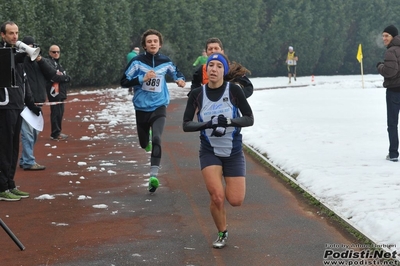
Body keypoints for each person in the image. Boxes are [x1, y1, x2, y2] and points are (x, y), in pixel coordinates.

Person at [182, 53, 254, 248]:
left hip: (233, 151)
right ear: (206, 70)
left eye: (218, 66)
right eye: (210, 66)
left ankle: (225, 204)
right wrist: (207, 124)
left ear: (224, 70)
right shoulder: (197, 94)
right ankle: (222, 232)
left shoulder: (234, 91)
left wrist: (229, 121)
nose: (213, 69)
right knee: (217, 196)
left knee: (235, 200)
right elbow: (186, 124)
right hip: (209, 151)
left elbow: (249, 118)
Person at [120, 29, 186, 193]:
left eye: (155, 41)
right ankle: (146, 140)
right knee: (144, 143)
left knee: (157, 137)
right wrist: (142, 78)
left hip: (159, 105)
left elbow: (176, 73)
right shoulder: (136, 62)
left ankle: (153, 176)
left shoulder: (166, 61)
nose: (152, 44)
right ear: (144, 45)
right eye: (149, 41)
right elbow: (123, 81)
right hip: (141, 107)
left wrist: (180, 80)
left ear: (160, 44)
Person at [0, 21, 41, 201]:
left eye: (16, 33)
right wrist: (19, 55)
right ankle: (2, 187)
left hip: (17, 107)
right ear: (2, 35)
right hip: (4, 106)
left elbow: (24, 84)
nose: (15, 36)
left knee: (14, 149)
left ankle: (10, 184)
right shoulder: (3, 53)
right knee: (4, 149)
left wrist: (31, 104)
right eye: (10, 33)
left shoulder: (17, 55)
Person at [19, 36, 56, 170]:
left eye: (32, 46)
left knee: (34, 133)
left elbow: (52, 74)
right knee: (27, 133)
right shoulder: (21, 61)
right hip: (26, 102)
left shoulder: (40, 62)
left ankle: (24, 159)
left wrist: (40, 60)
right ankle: (29, 161)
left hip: (39, 101)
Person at [377, 25, 400, 162]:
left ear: (393, 37)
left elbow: (390, 72)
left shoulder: (391, 51)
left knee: (392, 124)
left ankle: (393, 154)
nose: (384, 38)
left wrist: (380, 66)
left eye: (387, 36)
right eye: (383, 35)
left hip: (394, 92)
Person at [46, 44, 71, 141]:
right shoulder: (49, 63)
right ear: (49, 53)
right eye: (53, 52)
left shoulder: (59, 64)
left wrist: (64, 78)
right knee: (56, 113)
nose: (56, 54)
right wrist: (64, 78)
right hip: (54, 92)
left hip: (61, 92)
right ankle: (55, 133)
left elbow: (67, 77)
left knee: (60, 113)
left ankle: (58, 131)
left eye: (58, 52)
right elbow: (54, 77)